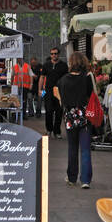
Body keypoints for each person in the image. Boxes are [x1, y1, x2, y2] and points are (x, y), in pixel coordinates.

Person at [55, 51, 96, 188]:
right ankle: (85, 180)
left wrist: (63, 102)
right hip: (85, 117)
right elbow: (93, 96)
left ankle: (72, 178)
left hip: (70, 117)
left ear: (71, 63)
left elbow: (56, 91)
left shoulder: (64, 79)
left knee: (72, 147)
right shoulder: (87, 78)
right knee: (85, 149)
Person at [42, 47, 68, 138]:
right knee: (48, 110)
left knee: (59, 111)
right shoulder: (46, 65)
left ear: (58, 54)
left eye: (55, 53)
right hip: (48, 91)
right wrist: (40, 90)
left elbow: (66, 78)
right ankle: (49, 129)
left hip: (60, 91)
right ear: (50, 55)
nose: (54, 55)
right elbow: (42, 77)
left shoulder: (64, 65)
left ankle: (57, 132)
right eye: (52, 54)